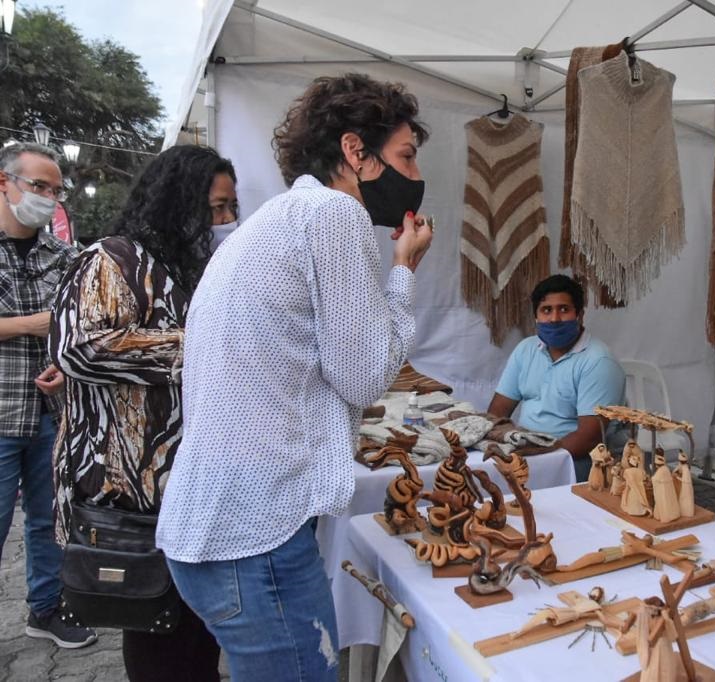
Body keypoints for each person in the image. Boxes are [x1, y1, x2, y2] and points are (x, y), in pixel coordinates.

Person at [156, 73, 433, 681]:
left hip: (222, 525)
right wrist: (404, 272)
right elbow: (363, 377)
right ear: (355, 152)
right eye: (406, 156)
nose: (414, 177)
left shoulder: (276, 219)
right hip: (254, 537)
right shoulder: (333, 214)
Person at [50, 145, 236, 680]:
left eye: (230, 208)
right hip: (129, 478)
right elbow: (82, 347)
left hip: (186, 476)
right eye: (214, 209)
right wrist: (201, 344)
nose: (224, 220)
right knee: (152, 612)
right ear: (177, 203)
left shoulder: (189, 265)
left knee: (190, 616)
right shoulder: (110, 258)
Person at [0, 142, 96, 649]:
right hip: (1, 413)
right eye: (39, 186)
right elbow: (47, 323)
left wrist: (62, 362)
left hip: (49, 412)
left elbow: (77, 328)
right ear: (4, 183)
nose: (48, 198)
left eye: (56, 190)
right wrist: (30, 325)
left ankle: (46, 608)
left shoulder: (64, 257)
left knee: (48, 519)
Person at [488, 274, 626, 482]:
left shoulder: (598, 361)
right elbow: (497, 410)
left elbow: (589, 438)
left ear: (580, 315)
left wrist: (540, 455)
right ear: (536, 317)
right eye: (546, 310)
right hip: (527, 449)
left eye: (564, 309)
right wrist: (500, 442)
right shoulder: (526, 349)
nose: (554, 319)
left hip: (578, 460)